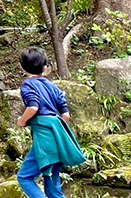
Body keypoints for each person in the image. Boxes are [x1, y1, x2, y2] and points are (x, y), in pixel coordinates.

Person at [14, 47, 85, 198]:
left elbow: (33, 106)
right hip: (58, 139)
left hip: (45, 142)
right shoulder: (52, 86)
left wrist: (22, 121)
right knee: (53, 187)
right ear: (45, 67)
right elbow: (66, 115)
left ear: (22, 67)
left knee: (24, 177)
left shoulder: (28, 85)